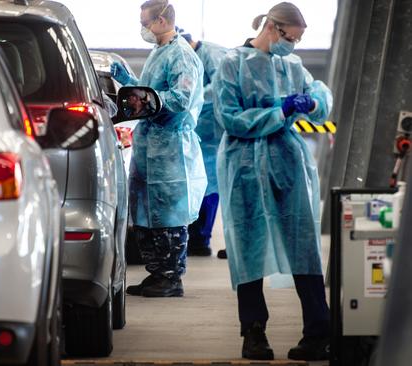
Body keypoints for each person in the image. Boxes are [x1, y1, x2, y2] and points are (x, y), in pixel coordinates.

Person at [212, 2, 332, 361]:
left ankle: (319, 331)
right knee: (248, 249)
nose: (291, 47)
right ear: (272, 28)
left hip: (287, 164)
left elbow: (320, 95)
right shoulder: (232, 64)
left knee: (303, 246)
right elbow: (230, 118)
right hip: (245, 167)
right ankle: (253, 334)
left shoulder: (291, 65)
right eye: (290, 38)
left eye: (296, 41)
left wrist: (312, 102)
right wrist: (278, 111)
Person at [110, 0, 207, 298]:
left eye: (146, 23)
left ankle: (171, 278)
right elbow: (150, 89)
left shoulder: (181, 55)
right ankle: (156, 274)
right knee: (147, 216)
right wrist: (128, 82)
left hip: (171, 148)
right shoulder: (160, 52)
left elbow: (180, 98)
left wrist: (146, 99)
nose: (144, 29)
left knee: (169, 218)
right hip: (150, 144)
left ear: (163, 20)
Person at [177, 28, 229, 259]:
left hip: (214, 131)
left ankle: (201, 239)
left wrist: (193, 97)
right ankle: (198, 238)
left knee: (209, 184)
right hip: (202, 128)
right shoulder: (191, 54)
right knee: (201, 182)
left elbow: (221, 87)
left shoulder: (212, 53)